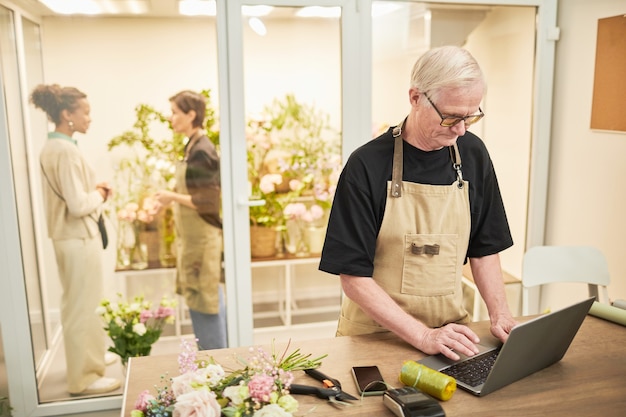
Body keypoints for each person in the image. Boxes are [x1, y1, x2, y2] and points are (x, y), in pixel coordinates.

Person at [319, 46, 517, 361]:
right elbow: (353, 278)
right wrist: (422, 335)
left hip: (450, 337)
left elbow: (484, 248)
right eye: (451, 116)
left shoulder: (473, 154)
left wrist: (501, 315)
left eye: (471, 116)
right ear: (415, 97)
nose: (460, 129)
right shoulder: (367, 165)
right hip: (375, 339)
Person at [30, 84, 120, 395]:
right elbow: (78, 205)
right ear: (67, 114)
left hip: (69, 238)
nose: (90, 118)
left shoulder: (55, 147)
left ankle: (91, 358)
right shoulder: (65, 151)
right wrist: (99, 193)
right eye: (86, 112)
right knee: (83, 307)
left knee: (79, 304)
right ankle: (83, 378)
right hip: (77, 238)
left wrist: (92, 191)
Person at [152, 90, 227, 350]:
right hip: (194, 240)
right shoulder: (192, 146)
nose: (170, 118)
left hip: (202, 240)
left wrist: (171, 196)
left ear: (191, 115)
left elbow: (206, 200)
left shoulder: (202, 151)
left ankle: (215, 363)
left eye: (174, 112)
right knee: (202, 298)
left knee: (206, 302)